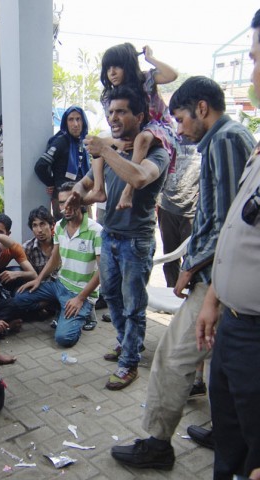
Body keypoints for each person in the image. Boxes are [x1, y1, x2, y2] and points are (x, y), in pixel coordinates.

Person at [110, 76, 255, 471]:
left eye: (180, 118)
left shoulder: (225, 140)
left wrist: (191, 267)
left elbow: (228, 222)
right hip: (222, 278)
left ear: (202, 109)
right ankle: (232, 432)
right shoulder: (230, 138)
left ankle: (156, 444)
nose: (178, 127)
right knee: (222, 365)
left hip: (218, 280)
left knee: (173, 359)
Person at [193, 12, 260, 477]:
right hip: (234, 325)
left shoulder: (228, 139)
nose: (252, 73)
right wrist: (214, 296)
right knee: (229, 447)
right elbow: (238, 227)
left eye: (257, 59)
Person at [68, 85, 170, 390]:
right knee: (111, 296)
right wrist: (76, 193)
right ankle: (128, 344)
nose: (114, 117)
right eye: (111, 111)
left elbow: (138, 177)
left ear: (139, 115)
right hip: (109, 235)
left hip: (135, 241)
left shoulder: (158, 153)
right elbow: (87, 182)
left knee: (133, 305)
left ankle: (129, 364)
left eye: (121, 111)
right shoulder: (112, 151)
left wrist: (107, 151)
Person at [88, 43, 178, 210]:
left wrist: (151, 59)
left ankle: (128, 191)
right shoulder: (110, 95)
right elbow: (114, 127)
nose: (112, 72)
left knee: (142, 138)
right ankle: (98, 189)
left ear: (128, 66)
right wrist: (115, 142)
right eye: (108, 68)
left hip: (157, 127)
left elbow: (172, 75)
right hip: (130, 131)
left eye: (117, 67)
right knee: (99, 140)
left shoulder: (145, 80)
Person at [14, 183, 102, 347]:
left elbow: (104, 271)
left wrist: (81, 298)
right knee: (19, 298)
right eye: (61, 202)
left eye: (70, 201)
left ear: (80, 202)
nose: (66, 207)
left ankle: (83, 312)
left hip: (80, 293)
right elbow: (55, 258)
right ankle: (63, 309)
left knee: (64, 338)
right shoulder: (60, 226)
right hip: (59, 285)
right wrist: (39, 280)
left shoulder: (96, 231)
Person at [157, 141, 201, 287]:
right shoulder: (168, 136)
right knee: (170, 256)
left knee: (191, 257)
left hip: (192, 210)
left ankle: (190, 294)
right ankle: (172, 291)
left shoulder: (202, 141)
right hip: (167, 206)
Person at [35, 106, 91, 220]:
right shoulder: (60, 141)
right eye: (71, 119)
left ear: (83, 121)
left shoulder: (83, 142)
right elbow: (40, 166)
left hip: (82, 196)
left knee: (87, 230)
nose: (75, 124)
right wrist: (51, 183)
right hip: (63, 198)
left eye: (78, 119)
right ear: (65, 122)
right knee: (64, 232)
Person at [22, 206, 58, 279]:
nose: (39, 230)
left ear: (52, 225)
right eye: (35, 225)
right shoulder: (27, 248)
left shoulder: (61, 244)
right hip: (40, 287)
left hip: (61, 286)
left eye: (42, 224)